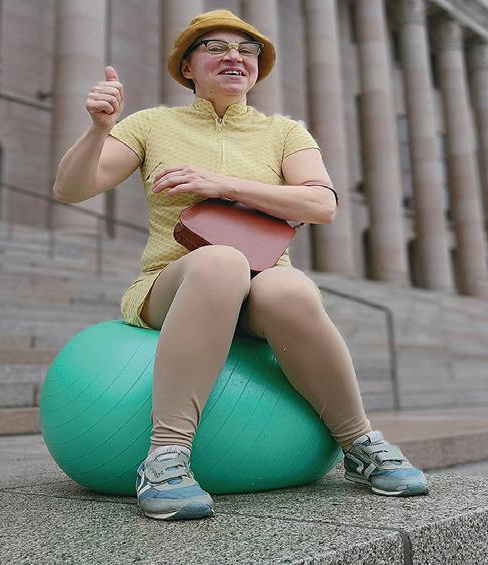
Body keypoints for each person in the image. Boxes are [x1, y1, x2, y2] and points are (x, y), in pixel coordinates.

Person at [52, 10, 428, 521]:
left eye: (247, 51)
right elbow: (71, 189)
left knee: (288, 288)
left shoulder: (284, 133)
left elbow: (321, 204)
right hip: (175, 284)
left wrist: (222, 184)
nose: (235, 57)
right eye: (215, 47)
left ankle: (360, 444)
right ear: (187, 67)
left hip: (263, 288)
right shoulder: (150, 124)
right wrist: (99, 130)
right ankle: (165, 456)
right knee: (221, 263)